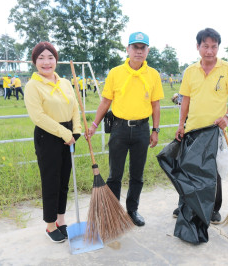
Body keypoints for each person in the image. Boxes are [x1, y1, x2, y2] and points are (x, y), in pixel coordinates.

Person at [86, 32, 164, 227]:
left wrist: (155, 130)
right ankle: (113, 213)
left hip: (141, 129)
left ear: (147, 51)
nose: (139, 51)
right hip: (119, 128)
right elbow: (105, 102)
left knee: (137, 174)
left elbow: (155, 105)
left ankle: (132, 210)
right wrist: (94, 125)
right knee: (115, 174)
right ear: (127, 49)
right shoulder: (115, 73)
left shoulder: (153, 75)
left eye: (142, 48)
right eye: (135, 47)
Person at [172, 28, 228, 224]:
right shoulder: (190, 71)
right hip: (192, 129)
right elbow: (185, 100)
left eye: (213, 46)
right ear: (198, 47)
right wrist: (181, 124)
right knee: (188, 169)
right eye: (205, 46)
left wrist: (227, 116)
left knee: (214, 171)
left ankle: (214, 209)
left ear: (218, 47)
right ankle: (185, 204)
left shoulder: (226, 69)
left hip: (215, 130)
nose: (209, 51)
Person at [24, 42, 82, 243]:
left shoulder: (65, 82)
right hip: (47, 136)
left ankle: (60, 220)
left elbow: (75, 107)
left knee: (64, 181)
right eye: (41, 58)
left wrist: (77, 130)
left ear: (56, 60)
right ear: (35, 62)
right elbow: (38, 117)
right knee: (51, 181)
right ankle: (50, 225)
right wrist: (64, 133)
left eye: (50, 57)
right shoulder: (33, 85)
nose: (46, 62)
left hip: (68, 135)